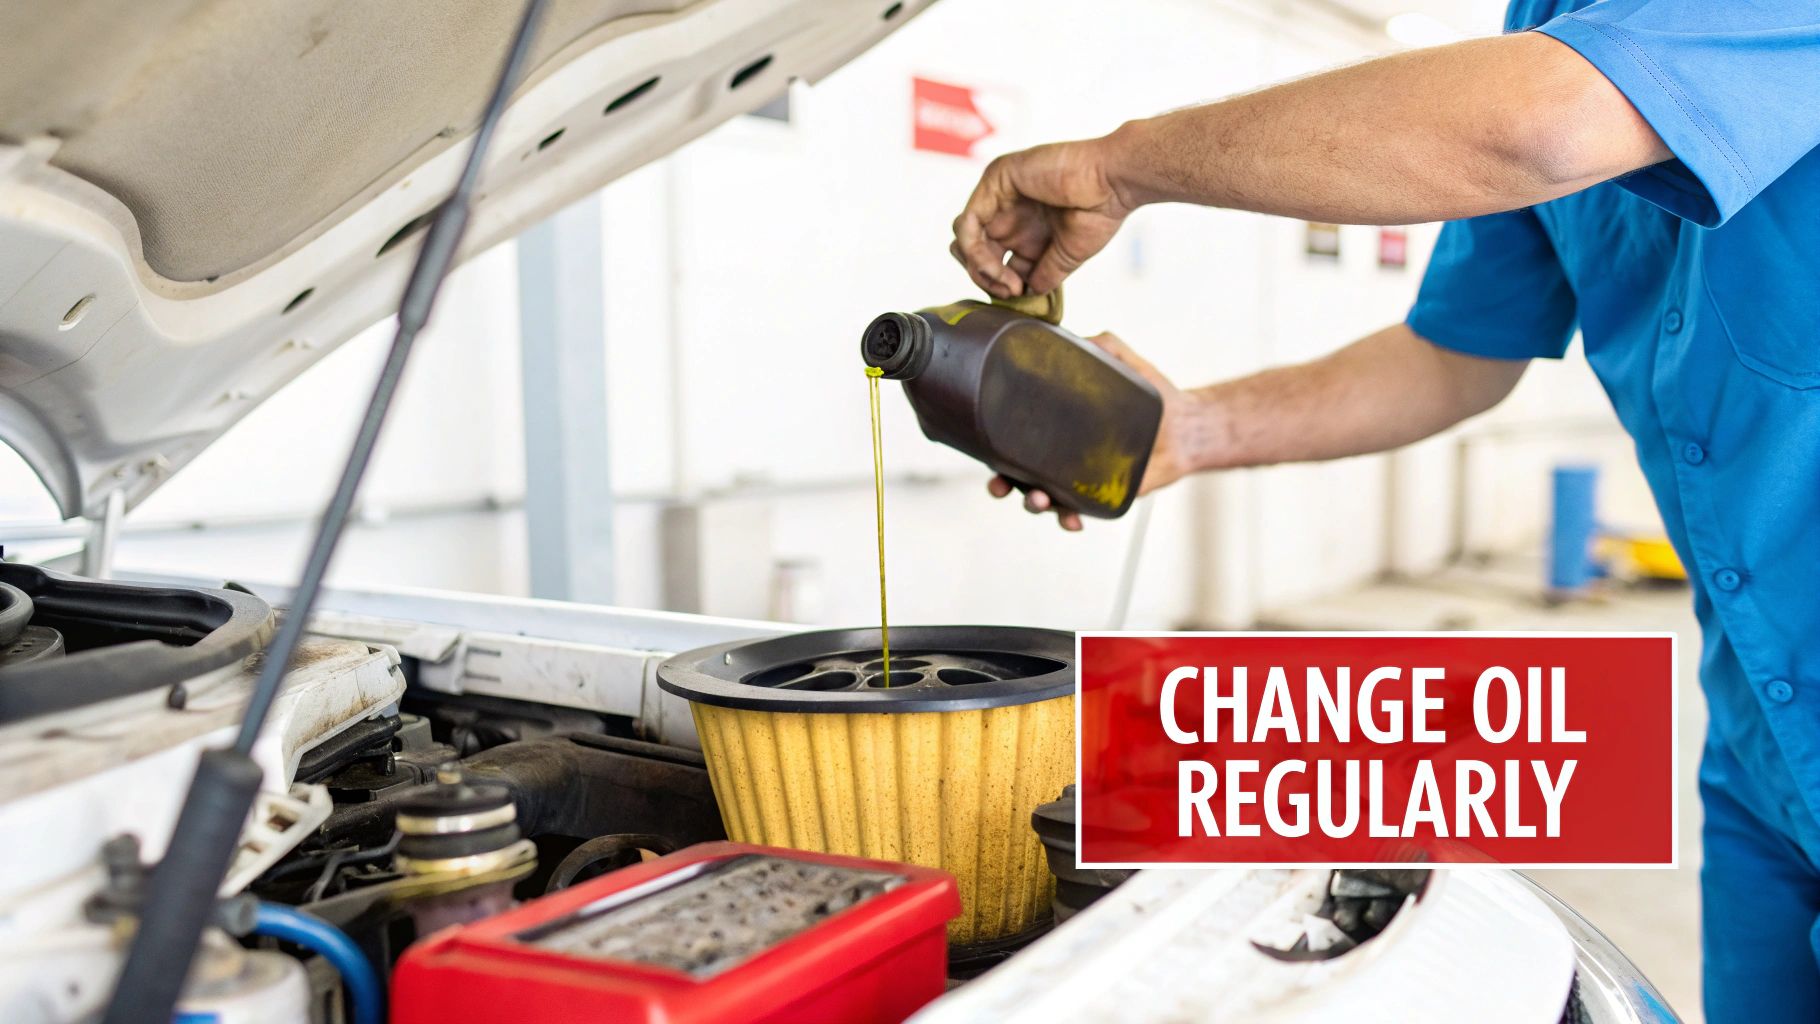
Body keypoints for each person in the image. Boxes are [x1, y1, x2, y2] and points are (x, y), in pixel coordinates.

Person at [948, 2, 1820, 1020]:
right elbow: (1457, 352)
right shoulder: (1543, 19)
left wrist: (1124, 164)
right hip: (1761, 745)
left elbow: (1541, 124)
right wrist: (1187, 431)